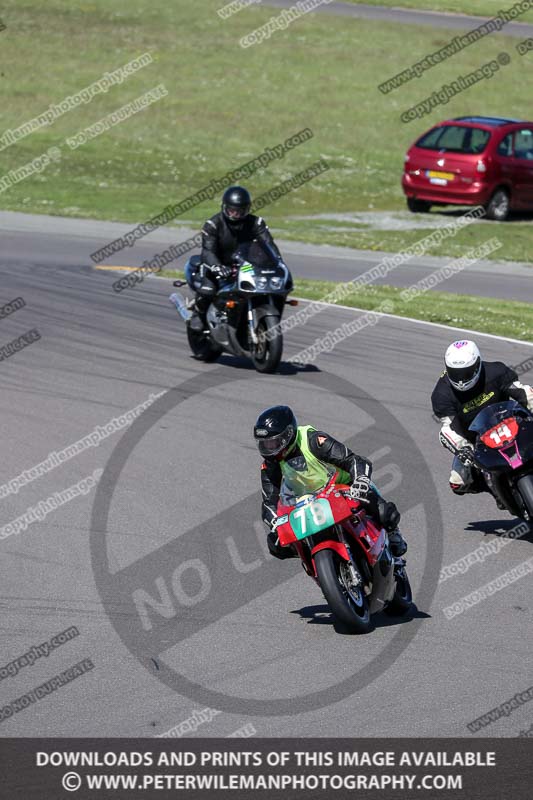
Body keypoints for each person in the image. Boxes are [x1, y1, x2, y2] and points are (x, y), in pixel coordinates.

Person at [253, 405, 407, 559]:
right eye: (265, 443)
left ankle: (393, 532)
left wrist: (360, 480)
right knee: (275, 543)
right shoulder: (270, 464)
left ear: (288, 434)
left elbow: (353, 460)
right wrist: (276, 522)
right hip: (307, 505)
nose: (269, 448)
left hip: (344, 488)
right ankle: (314, 559)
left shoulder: (312, 440)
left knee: (385, 512)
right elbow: (269, 501)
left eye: (273, 442)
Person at [431, 340, 533, 496]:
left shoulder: (496, 371)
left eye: (466, 373)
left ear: (478, 364)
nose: (460, 380)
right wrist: (463, 448)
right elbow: (448, 428)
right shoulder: (441, 394)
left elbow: (523, 393)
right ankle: (494, 488)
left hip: (511, 424)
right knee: (458, 481)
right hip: (476, 442)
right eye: (455, 373)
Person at [189, 186, 286, 331]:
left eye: (240, 211)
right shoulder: (213, 224)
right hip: (217, 264)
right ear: (224, 207)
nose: (236, 215)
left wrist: (277, 262)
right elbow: (208, 251)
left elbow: (269, 245)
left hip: (244, 265)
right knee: (208, 289)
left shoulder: (256, 223)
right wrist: (217, 267)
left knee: (270, 288)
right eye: (232, 210)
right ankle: (199, 314)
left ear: (247, 209)